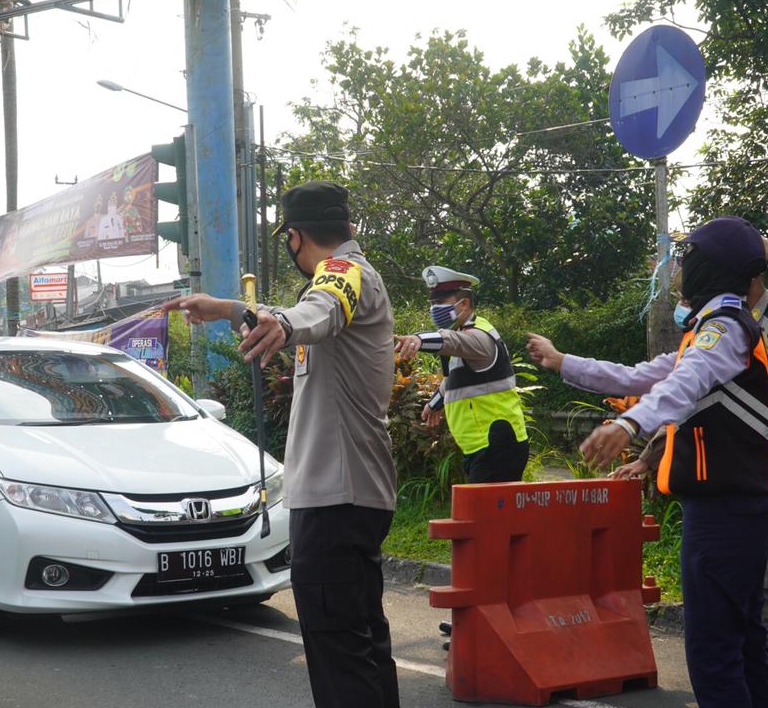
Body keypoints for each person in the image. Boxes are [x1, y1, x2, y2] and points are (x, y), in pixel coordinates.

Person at [527, 216, 768, 708]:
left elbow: (683, 384)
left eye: (686, 258)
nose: (677, 267)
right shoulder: (713, 327)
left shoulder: (725, 327)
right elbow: (639, 376)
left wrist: (628, 425)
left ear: (710, 266)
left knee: (714, 651)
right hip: (738, 512)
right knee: (743, 641)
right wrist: (564, 363)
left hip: (726, 515)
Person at [165, 181, 399, 708]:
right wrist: (230, 308)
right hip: (356, 494)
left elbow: (319, 308)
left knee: (339, 650)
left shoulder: (340, 275)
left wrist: (286, 321)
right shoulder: (356, 275)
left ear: (294, 237)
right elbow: (307, 311)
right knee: (362, 641)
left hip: (336, 499)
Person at [612, 239, 768, 708]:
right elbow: (699, 401)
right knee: (749, 606)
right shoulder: (730, 323)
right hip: (750, 479)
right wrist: (652, 455)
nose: (680, 272)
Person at [394, 266, 529, 483]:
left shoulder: (479, 336)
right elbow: (453, 380)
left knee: (486, 517)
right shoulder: (461, 334)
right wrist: (435, 404)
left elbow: (449, 340)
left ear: (464, 303)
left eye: (440, 303)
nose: (434, 309)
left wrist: (418, 340)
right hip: (482, 446)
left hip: (497, 444)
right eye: (432, 304)